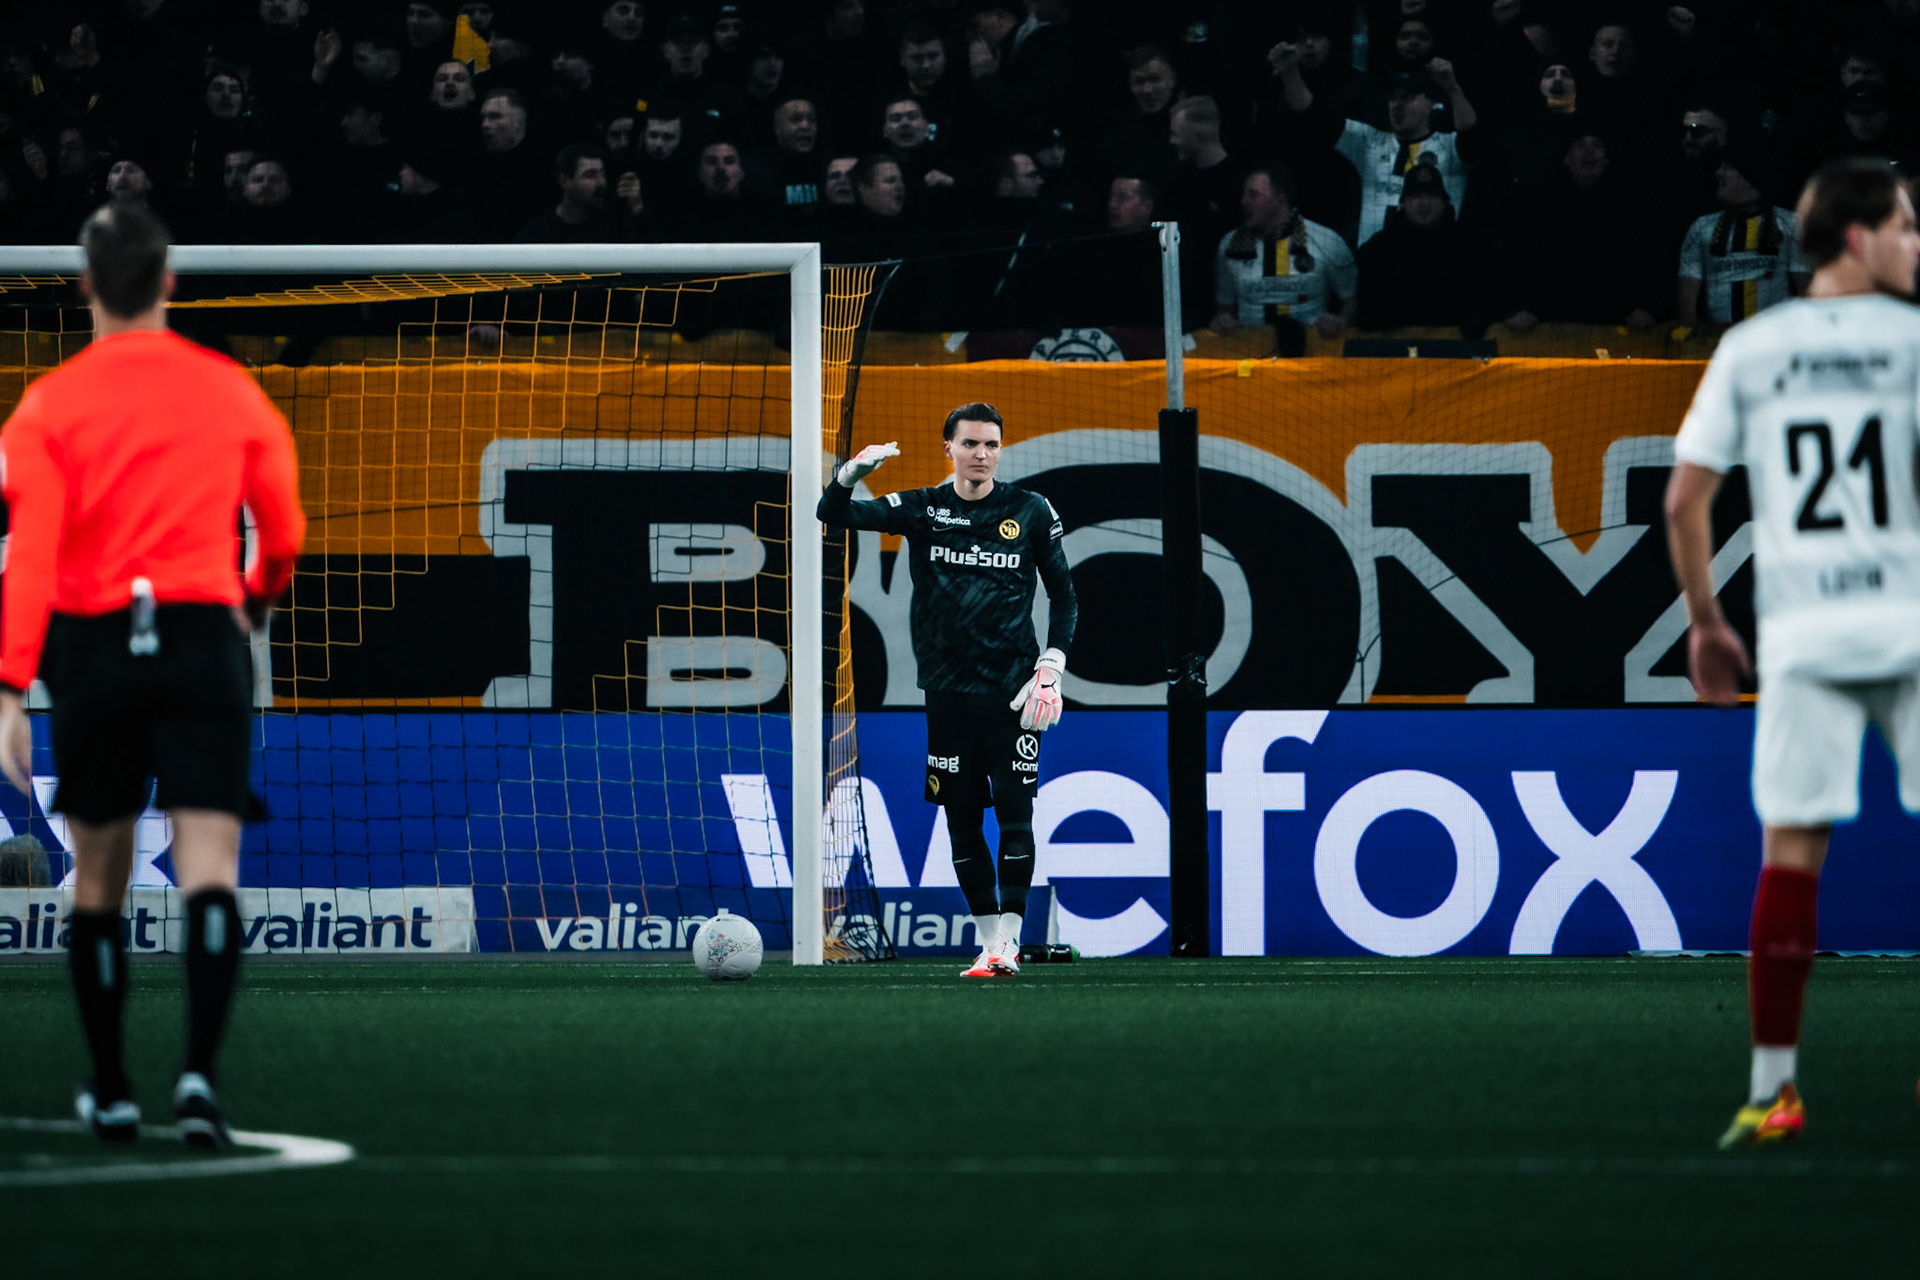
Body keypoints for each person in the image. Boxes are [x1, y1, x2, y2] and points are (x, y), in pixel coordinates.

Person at [0, 204, 306, 1147]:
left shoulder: (47, 405)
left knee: (98, 878)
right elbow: (284, 528)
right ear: (169, 282)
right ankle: (199, 1081)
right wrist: (255, 600)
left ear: (86, 286)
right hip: (202, 638)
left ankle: (111, 1088)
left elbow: (31, 559)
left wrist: (9, 689)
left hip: (94, 647)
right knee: (211, 873)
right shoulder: (229, 390)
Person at [1664, 157, 1920, 1148]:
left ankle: (1774, 1091)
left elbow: (1684, 500)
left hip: (1807, 634)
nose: (1915, 243)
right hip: (1910, 622)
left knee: (1791, 856)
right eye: (1905, 226)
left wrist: (1706, 621)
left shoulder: (1753, 347)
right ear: (1858, 237)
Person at [815, 405, 1075, 978]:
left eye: (992, 445)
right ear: (948, 449)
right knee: (961, 821)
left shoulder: (1030, 510)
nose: (982, 454)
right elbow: (830, 513)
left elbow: (1065, 596)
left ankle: (1009, 940)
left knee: (1016, 816)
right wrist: (850, 473)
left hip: (1014, 693)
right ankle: (988, 945)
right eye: (971, 444)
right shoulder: (922, 507)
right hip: (948, 693)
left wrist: (1051, 666)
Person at [1212, 164, 1358, 348]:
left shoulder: (1327, 241)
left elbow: (1353, 301)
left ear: (1279, 201)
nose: (1244, 201)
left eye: (1253, 195)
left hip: (1311, 353)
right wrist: (1223, 321)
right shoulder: (1229, 245)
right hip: (1250, 354)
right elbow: (1225, 308)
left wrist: (1340, 321)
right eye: (1244, 195)